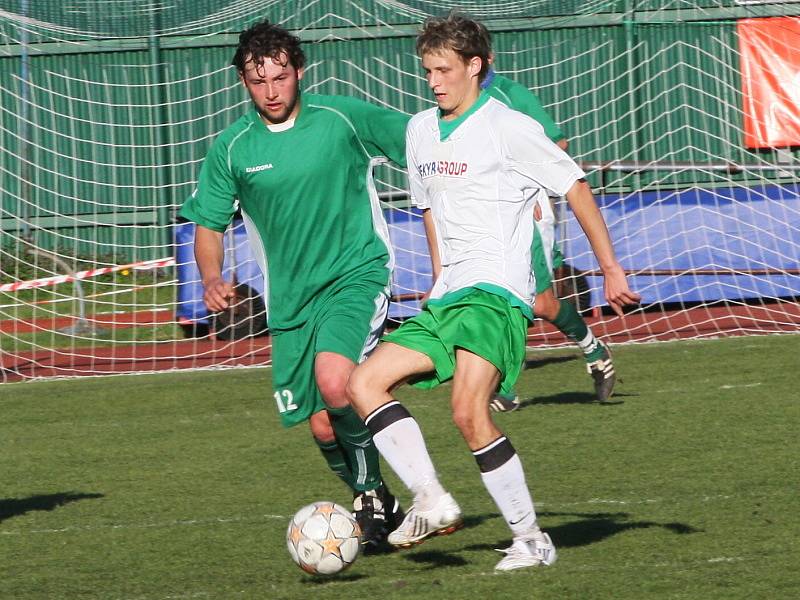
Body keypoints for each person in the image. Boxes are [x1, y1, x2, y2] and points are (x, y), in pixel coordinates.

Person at [346, 13, 640, 571]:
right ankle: (430, 498)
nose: (433, 81)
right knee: (363, 383)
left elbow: (574, 184)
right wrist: (437, 279)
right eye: (428, 70)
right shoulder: (419, 131)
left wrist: (610, 267)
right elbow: (429, 208)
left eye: (444, 70)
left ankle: (531, 539)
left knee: (467, 412)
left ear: (475, 66)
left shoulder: (508, 126)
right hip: (449, 294)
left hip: (497, 293)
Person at [179, 20, 408, 549]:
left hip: (356, 275)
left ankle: (373, 497)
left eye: (280, 77)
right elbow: (208, 226)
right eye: (258, 82)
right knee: (324, 426)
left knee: (336, 381)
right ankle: (383, 502)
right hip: (292, 301)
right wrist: (212, 276)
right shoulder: (233, 149)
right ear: (242, 80)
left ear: (298, 71)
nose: (271, 91)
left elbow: (418, 141)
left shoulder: (341, 119)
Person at [481, 65, 617, 411]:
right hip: (486, 213)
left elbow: (558, 143)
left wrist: (534, 187)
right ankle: (506, 386)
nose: (437, 79)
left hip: (528, 206)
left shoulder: (509, 94)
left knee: (536, 301)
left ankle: (592, 350)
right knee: (497, 296)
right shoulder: (451, 110)